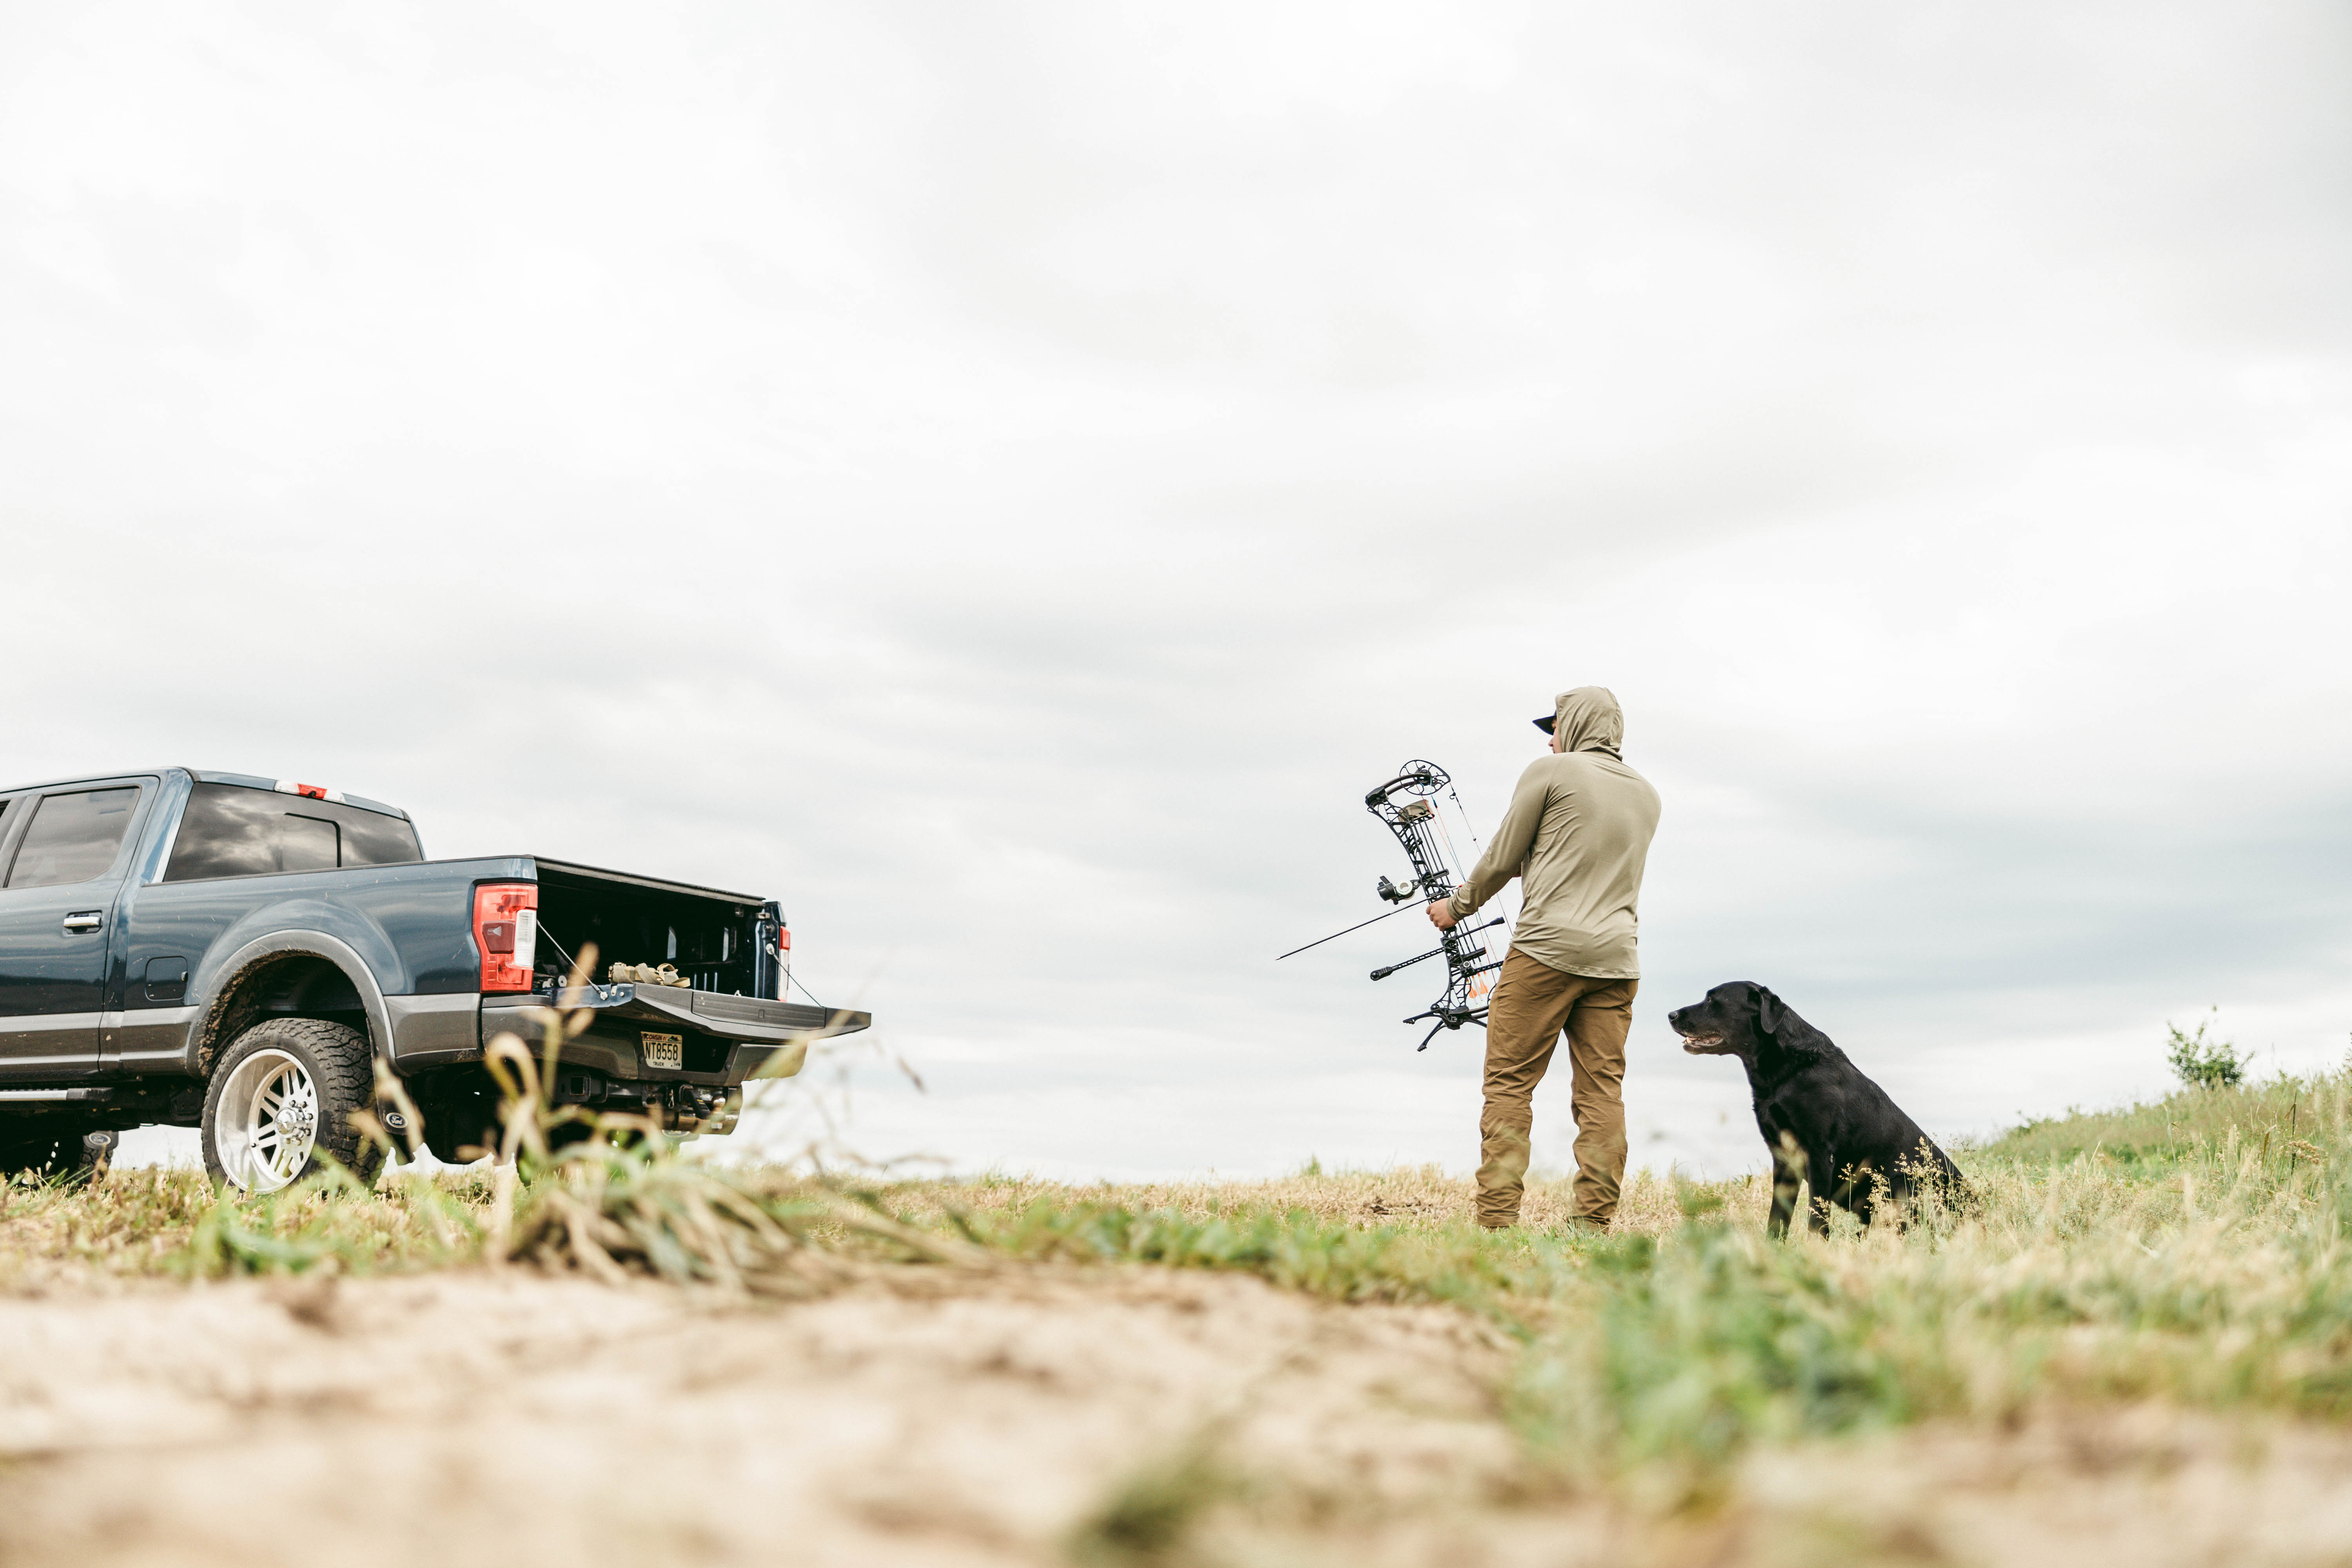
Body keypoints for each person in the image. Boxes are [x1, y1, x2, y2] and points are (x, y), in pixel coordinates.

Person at [1429, 687, 1661, 1230]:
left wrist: (1456, 908)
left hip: (1545, 952)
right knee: (1602, 1090)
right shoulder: (1648, 794)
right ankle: (1592, 1224)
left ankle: (1496, 1223)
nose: (1551, 739)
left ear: (1577, 725)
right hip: (1618, 962)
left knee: (1509, 1083)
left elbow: (1504, 856)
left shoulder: (1549, 773)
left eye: (1555, 728)